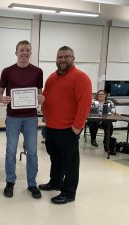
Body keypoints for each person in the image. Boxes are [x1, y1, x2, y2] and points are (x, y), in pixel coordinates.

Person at [40, 46, 92, 204]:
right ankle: (55, 182)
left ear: (73, 58)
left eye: (66, 56)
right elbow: (46, 98)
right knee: (55, 158)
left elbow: (85, 104)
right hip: (51, 127)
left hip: (68, 129)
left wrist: (77, 127)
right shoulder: (51, 78)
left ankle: (69, 193)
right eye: (60, 57)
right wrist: (45, 115)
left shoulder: (81, 77)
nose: (63, 60)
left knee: (70, 162)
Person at [0, 40, 44, 199]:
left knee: (32, 152)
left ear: (30, 53)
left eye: (28, 50)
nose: (25, 53)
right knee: (10, 151)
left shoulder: (38, 71)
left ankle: (32, 183)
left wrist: (41, 99)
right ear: (16, 52)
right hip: (13, 117)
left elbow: (39, 94)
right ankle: (10, 182)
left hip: (31, 117)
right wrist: (2, 99)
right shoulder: (7, 71)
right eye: (22, 50)